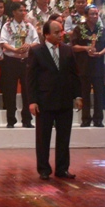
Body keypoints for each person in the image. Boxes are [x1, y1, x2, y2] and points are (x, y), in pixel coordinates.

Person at [28, 19, 81, 180]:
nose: (61, 35)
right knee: (43, 138)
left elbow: (75, 75)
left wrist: (78, 96)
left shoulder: (67, 50)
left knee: (64, 137)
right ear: (47, 34)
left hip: (64, 100)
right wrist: (32, 101)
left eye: (61, 31)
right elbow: (31, 78)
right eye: (56, 32)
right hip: (44, 101)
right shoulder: (37, 51)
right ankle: (44, 169)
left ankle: (62, 169)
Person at [0, 3, 39, 128]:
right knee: (10, 91)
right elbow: (3, 42)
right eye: (21, 10)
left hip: (26, 61)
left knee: (27, 90)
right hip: (11, 61)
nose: (23, 12)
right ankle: (11, 120)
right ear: (14, 12)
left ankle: (27, 119)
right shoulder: (7, 26)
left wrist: (28, 46)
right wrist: (14, 49)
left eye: (25, 10)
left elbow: (36, 41)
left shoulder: (29, 26)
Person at [71, 5, 105, 127]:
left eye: (96, 14)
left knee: (99, 93)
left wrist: (100, 53)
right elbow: (73, 46)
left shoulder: (102, 30)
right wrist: (85, 48)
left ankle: (98, 119)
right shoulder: (79, 29)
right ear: (86, 16)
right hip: (84, 66)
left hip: (98, 66)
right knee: (85, 94)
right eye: (92, 14)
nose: (94, 16)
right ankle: (85, 119)